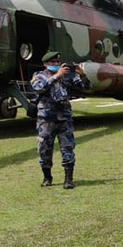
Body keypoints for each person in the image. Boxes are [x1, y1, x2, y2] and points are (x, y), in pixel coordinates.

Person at [31, 51, 90, 189]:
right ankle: (47, 177)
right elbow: (38, 88)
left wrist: (82, 74)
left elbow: (86, 88)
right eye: (52, 62)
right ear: (45, 64)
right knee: (44, 148)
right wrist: (57, 76)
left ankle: (68, 180)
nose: (56, 64)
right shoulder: (39, 76)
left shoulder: (67, 76)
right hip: (46, 119)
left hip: (64, 118)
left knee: (67, 147)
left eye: (57, 62)